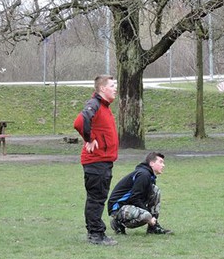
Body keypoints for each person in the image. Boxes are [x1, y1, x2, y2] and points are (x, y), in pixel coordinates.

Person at [73, 75, 119, 246]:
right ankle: (96, 234)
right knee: (96, 198)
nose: (115, 88)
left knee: (98, 197)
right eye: (112, 85)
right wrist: (89, 138)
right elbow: (80, 121)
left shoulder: (105, 107)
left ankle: (96, 232)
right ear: (102, 89)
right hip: (96, 161)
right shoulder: (95, 104)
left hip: (103, 161)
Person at [107, 152, 173, 235]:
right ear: (152, 163)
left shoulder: (149, 176)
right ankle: (117, 223)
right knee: (146, 216)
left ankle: (153, 228)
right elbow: (135, 197)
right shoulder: (143, 175)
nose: (163, 165)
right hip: (118, 207)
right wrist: (150, 217)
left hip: (129, 205)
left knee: (155, 190)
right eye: (160, 162)